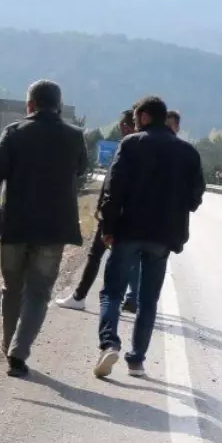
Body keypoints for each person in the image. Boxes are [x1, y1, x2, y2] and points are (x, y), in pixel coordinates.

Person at [0, 80, 87, 378]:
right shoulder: (74, 137)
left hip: (15, 227)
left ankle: (10, 346)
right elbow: (81, 169)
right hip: (53, 229)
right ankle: (19, 352)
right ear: (58, 106)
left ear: (29, 105)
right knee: (38, 293)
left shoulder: (14, 133)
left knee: (12, 290)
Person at [93, 96, 205, 379]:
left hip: (128, 230)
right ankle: (137, 360)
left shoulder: (130, 144)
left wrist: (107, 226)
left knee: (112, 292)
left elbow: (112, 188)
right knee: (148, 299)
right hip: (163, 237)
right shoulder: (188, 152)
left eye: (135, 116)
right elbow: (195, 196)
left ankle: (109, 343)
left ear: (143, 117)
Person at [55, 109, 141, 312]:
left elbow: (112, 184)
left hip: (113, 215)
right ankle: (125, 300)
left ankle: (80, 296)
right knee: (126, 260)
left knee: (96, 256)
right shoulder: (143, 151)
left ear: (125, 127)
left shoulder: (125, 149)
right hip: (131, 217)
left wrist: (104, 209)